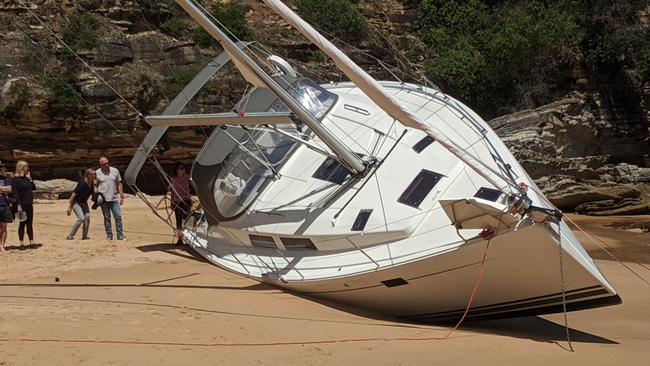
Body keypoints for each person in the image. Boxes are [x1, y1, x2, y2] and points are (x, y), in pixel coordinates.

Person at [95, 156, 125, 241]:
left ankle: (120, 235)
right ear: (101, 165)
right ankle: (109, 235)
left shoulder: (115, 171)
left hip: (114, 198)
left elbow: (119, 183)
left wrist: (121, 195)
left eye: (108, 163)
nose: (107, 165)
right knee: (107, 217)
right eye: (104, 164)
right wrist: (96, 196)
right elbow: (95, 185)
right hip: (104, 200)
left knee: (118, 217)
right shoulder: (97, 173)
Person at [12, 160, 36, 247]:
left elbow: (34, 187)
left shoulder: (27, 179)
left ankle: (31, 241)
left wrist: (30, 179)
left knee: (29, 223)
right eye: (26, 167)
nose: (28, 168)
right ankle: (21, 242)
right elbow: (15, 193)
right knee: (22, 223)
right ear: (21, 168)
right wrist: (18, 205)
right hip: (21, 205)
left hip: (29, 204)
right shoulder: (16, 180)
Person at [66, 169, 96, 240]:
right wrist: (70, 207)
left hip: (84, 202)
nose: (94, 176)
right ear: (88, 175)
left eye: (95, 174)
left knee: (87, 216)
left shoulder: (92, 184)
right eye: (92, 174)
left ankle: (84, 236)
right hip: (76, 202)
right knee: (81, 218)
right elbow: (73, 194)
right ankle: (70, 235)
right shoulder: (82, 183)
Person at [169, 162, 192, 245]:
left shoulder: (188, 178)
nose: (183, 170)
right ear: (177, 170)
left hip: (186, 201)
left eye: (184, 168)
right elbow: (172, 191)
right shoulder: (173, 179)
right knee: (178, 221)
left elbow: (194, 185)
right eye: (181, 168)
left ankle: (189, 239)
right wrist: (171, 202)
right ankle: (180, 239)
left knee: (188, 220)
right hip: (177, 201)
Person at [0, 161, 13, 252]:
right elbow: (6, 189)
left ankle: (2, 245)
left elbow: (10, 189)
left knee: (4, 227)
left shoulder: (5, 179)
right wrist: (3, 189)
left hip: (4, 204)